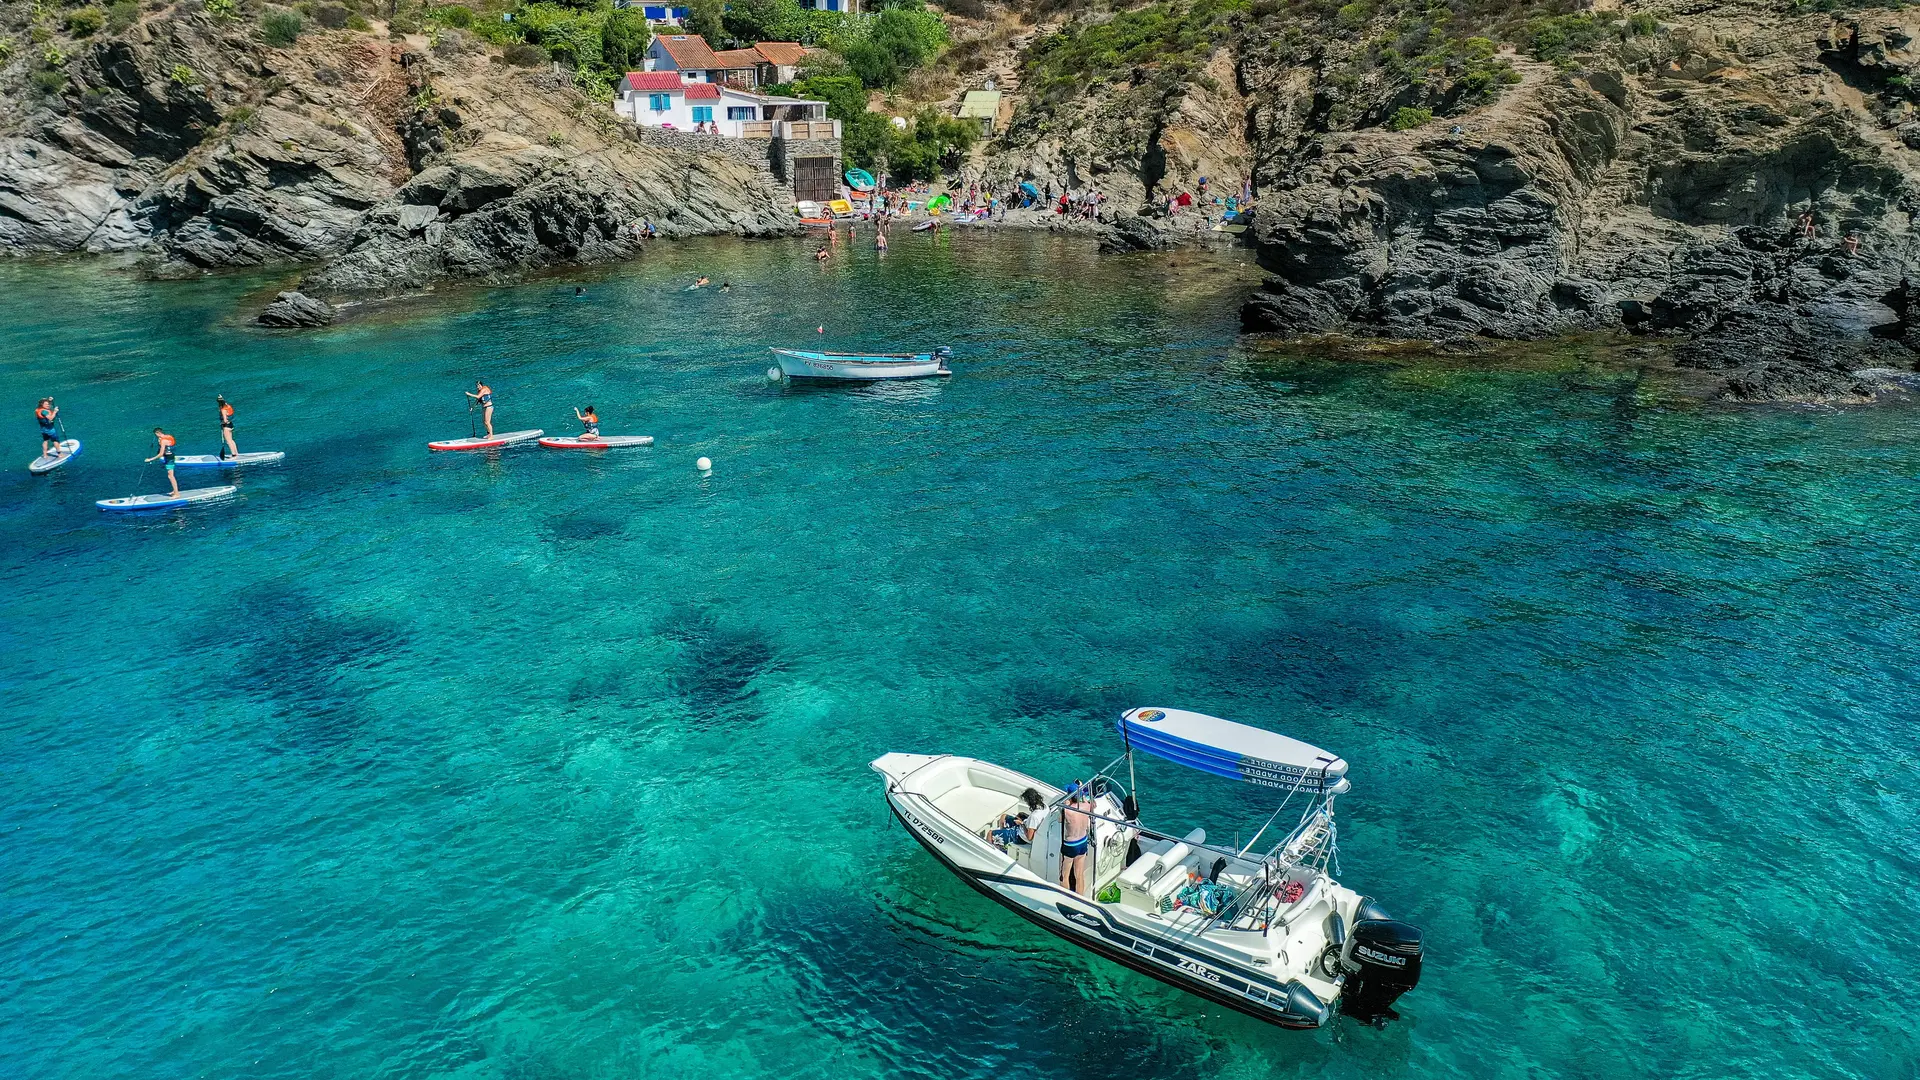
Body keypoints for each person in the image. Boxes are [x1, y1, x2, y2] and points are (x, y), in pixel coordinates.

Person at [1059, 782, 1093, 896]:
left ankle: (1066, 898)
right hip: (1083, 841)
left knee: (1065, 875)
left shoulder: (1067, 810)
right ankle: (1080, 897)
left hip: (1070, 845)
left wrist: (1067, 802)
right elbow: (1091, 803)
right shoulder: (1087, 806)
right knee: (1079, 874)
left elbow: (1060, 820)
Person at [145, 427, 179, 497]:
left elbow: (160, 454)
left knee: (170, 476)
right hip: (169, 457)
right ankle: (174, 491)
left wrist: (150, 459)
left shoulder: (163, 441)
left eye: (155, 434)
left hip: (169, 459)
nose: (156, 436)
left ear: (158, 433)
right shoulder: (168, 436)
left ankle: (177, 494)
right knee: (170, 475)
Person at [215, 394, 237, 459]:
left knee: (228, 441)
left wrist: (221, 423)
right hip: (231, 425)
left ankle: (234, 455)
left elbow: (225, 420)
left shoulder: (223, 409)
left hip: (226, 426)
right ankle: (236, 452)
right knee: (231, 440)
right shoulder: (228, 406)